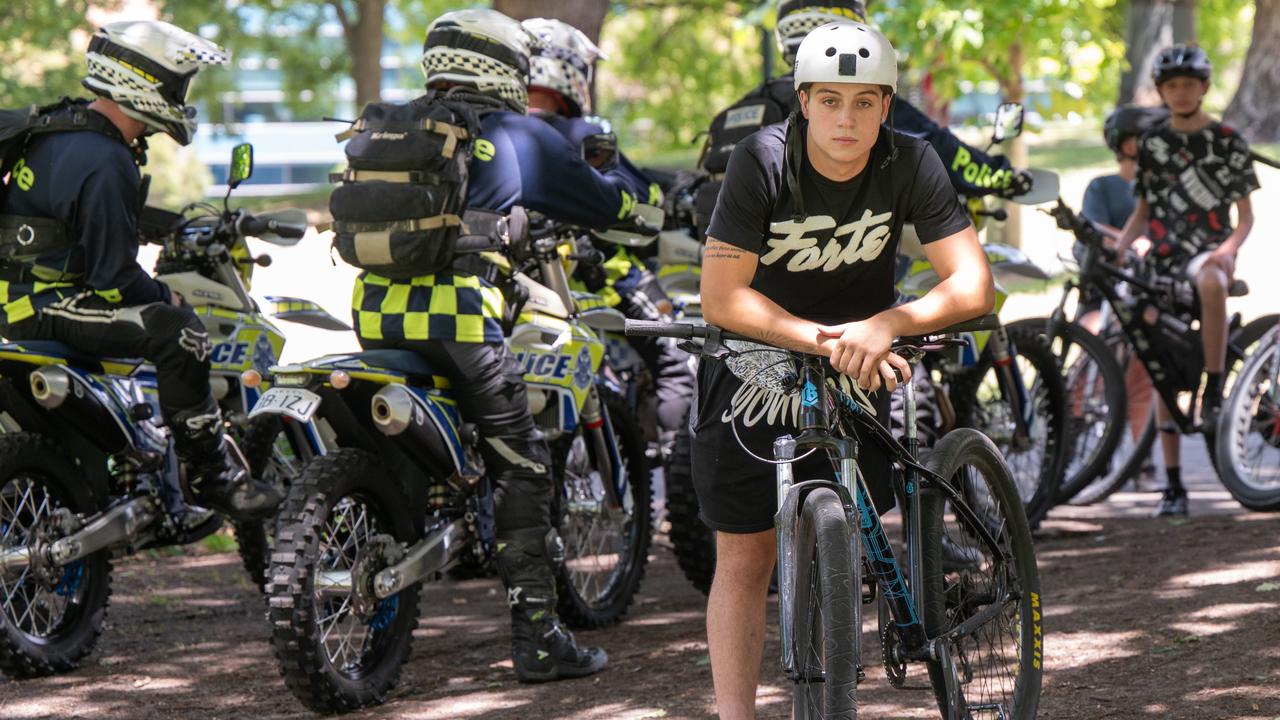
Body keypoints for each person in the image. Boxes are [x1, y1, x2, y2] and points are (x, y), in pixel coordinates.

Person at [694, 22, 994, 718]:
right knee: (744, 559)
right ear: (803, 101)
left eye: (864, 102)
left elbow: (972, 285)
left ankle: (831, 696)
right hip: (753, 362)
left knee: (843, 540)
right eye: (829, 100)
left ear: (887, 106)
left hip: (862, 357)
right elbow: (722, 296)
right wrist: (820, 337)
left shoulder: (910, 161)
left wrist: (889, 322)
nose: (846, 119)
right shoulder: (761, 159)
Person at [353, 8, 640, 682]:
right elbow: (602, 204)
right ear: (504, 65)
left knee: (404, 463)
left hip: (373, 313)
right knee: (524, 463)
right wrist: (636, 197)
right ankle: (538, 636)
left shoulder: (395, 120)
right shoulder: (515, 133)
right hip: (458, 318)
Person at [0, 20, 281, 520]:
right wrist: (164, 296)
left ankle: (138, 451)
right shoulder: (107, 160)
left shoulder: (58, 129)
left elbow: (68, 220)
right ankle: (213, 477)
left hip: (18, 299)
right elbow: (113, 280)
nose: (180, 96)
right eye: (176, 84)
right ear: (143, 82)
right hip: (44, 309)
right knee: (181, 334)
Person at [695, 0, 1030, 234]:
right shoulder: (865, 95)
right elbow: (936, 147)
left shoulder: (755, 101)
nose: (845, 116)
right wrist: (998, 175)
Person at [522, 16, 694, 444]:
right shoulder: (584, 133)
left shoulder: (492, 132)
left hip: (515, 285)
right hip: (597, 278)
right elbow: (640, 196)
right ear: (571, 70)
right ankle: (681, 475)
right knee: (678, 357)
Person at [1114, 44, 1260, 516]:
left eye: (1189, 85)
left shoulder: (1227, 139)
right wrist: (1120, 249)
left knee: (1213, 280)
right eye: (1172, 86)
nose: (1181, 93)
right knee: (1161, 366)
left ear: (1205, 88)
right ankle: (1173, 485)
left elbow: (1244, 218)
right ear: (1161, 91)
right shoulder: (1153, 143)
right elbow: (1142, 212)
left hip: (1209, 255)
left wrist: (1226, 251)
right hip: (1163, 260)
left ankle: (1215, 387)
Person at [1079, 105, 1170, 489]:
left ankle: (1139, 460)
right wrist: (1130, 243)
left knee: (1141, 365)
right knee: (1091, 345)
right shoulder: (1103, 187)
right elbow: (1092, 228)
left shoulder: (1162, 187)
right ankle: (1082, 450)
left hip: (1144, 298)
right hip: (1102, 294)